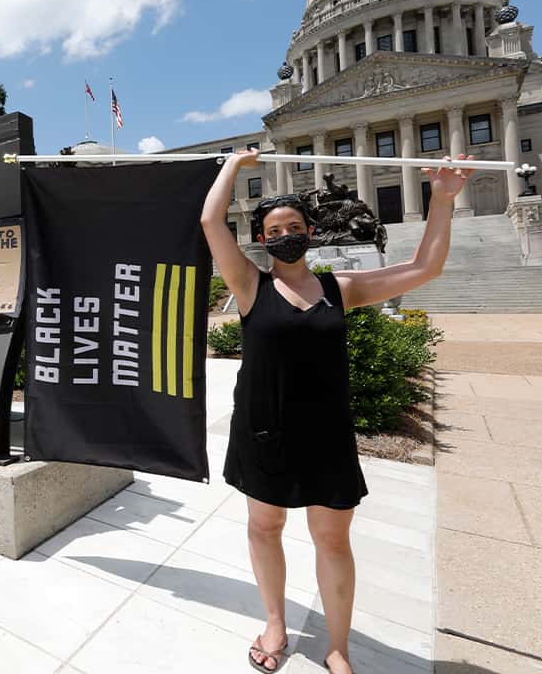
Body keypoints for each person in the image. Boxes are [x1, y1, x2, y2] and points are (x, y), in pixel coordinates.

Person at [199, 148, 471, 674]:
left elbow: (425, 266)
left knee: (332, 539)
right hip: (264, 430)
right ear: (262, 239)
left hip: (325, 434)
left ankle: (338, 646)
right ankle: (274, 623)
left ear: (311, 231)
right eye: (274, 229)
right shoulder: (249, 285)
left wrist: (441, 199)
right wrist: (232, 165)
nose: (284, 235)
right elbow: (211, 220)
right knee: (264, 527)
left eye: (294, 225)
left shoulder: (339, 290)